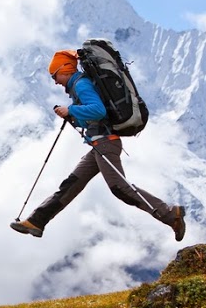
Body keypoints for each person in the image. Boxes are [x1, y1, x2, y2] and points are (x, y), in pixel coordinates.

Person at [10, 50, 186, 241]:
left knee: (119, 187)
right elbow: (92, 115)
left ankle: (170, 215)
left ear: (64, 69)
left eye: (55, 76)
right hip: (98, 145)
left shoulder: (81, 84)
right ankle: (36, 221)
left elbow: (98, 111)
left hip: (105, 144)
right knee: (70, 185)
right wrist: (72, 115)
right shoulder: (80, 85)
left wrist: (71, 109)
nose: (55, 81)